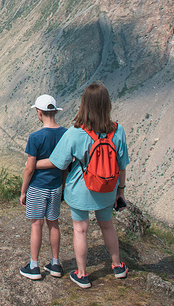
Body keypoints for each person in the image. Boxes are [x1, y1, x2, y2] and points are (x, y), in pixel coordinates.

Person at [37, 82, 129, 289]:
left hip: (80, 190)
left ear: (84, 105)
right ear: (107, 105)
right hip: (107, 189)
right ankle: (117, 267)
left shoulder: (75, 132)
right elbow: (122, 165)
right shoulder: (118, 131)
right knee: (107, 225)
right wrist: (120, 191)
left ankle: (82, 274)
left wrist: (33, 163)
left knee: (80, 230)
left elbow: (57, 161)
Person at [19, 94, 67, 280]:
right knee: (53, 223)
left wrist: (23, 191)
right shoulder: (65, 134)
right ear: (55, 111)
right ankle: (55, 263)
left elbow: (30, 168)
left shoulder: (35, 137)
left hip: (37, 187)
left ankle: (34, 266)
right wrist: (62, 186)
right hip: (56, 187)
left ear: (39, 113)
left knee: (36, 225)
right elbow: (65, 164)